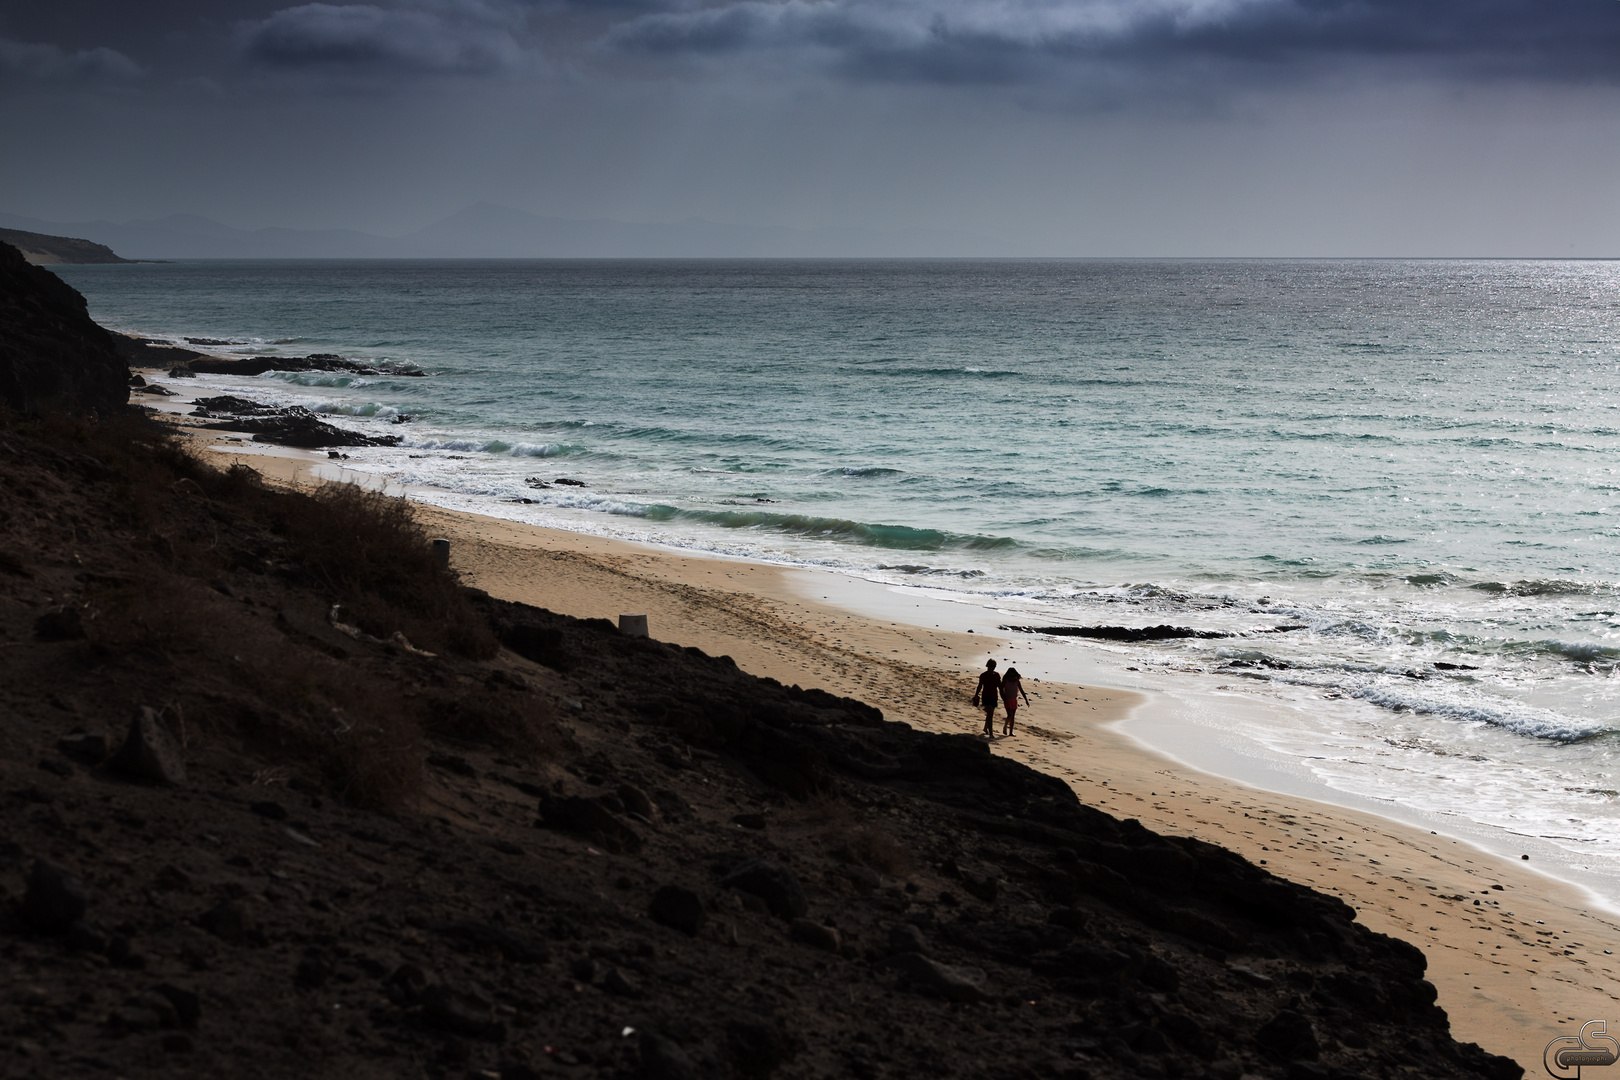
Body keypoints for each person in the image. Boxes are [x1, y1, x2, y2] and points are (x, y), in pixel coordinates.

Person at [971, 659, 1000, 737]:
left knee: (990, 714)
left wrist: (1004, 697)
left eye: (994, 666)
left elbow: (999, 686)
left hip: (994, 696)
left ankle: (985, 728)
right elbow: (980, 686)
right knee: (990, 713)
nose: (993, 668)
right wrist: (976, 695)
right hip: (986, 696)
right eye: (992, 666)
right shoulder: (983, 675)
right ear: (988, 666)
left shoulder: (997, 675)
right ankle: (991, 733)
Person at [1000, 666, 1030, 736]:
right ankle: (1005, 726)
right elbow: (1001, 689)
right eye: (1010, 675)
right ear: (1008, 675)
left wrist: (1026, 700)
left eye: (1013, 675)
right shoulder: (1005, 681)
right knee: (1009, 715)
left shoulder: (1017, 681)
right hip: (1007, 700)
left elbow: (1022, 690)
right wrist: (1003, 698)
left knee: (1012, 716)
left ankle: (1010, 732)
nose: (1012, 677)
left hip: (1014, 700)